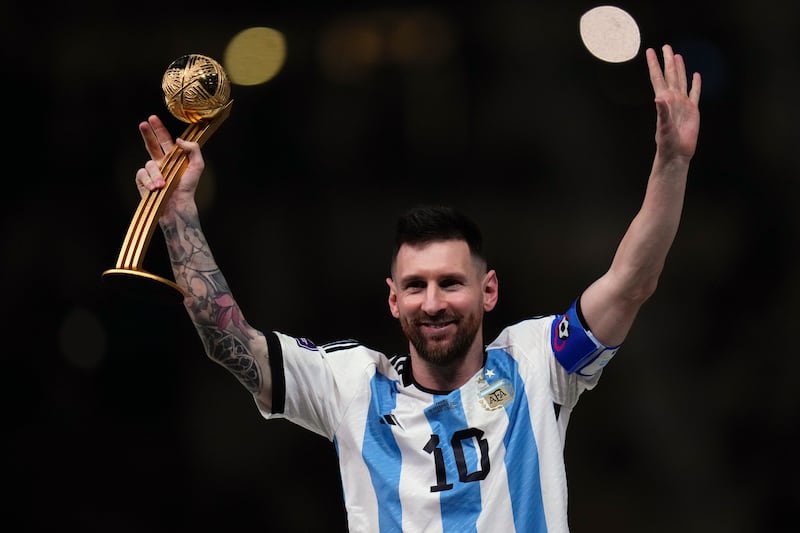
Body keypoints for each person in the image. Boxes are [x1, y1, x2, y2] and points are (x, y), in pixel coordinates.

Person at [134, 44, 701, 532]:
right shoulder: (350, 384)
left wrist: (671, 163)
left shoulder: (536, 364)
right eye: (416, 286)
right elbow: (225, 337)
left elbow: (629, 284)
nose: (432, 303)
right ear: (392, 298)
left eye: (451, 283)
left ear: (489, 291)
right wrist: (179, 214)